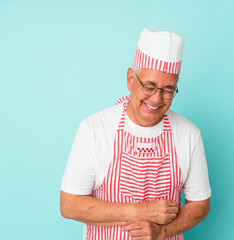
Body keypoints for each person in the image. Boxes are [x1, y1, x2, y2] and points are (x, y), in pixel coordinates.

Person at [60, 28, 211, 240]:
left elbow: (200, 204)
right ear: (131, 79)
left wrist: (162, 232)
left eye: (168, 90)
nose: (157, 99)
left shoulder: (189, 135)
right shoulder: (94, 129)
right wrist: (140, 211)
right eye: (149, 86)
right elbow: (69, 205)